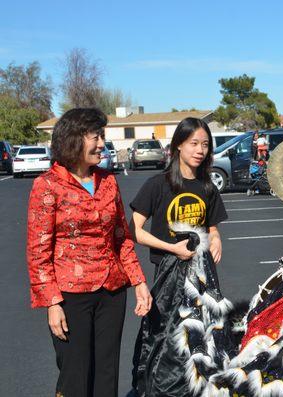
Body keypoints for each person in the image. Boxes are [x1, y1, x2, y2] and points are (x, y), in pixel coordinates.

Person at [26, 108, 151, 397]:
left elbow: (121, 237)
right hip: (70, 295)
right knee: (75, 376)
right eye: (96, 137)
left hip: (112, 290)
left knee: (107, 375)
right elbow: (38, 251)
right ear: (73, 139)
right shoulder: (47, 185)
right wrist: (52, 304)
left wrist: (138, 281)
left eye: (102, 137)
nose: (102, 144)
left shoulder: (108, 181)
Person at [129, 117, 228, 394]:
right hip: (168, 275)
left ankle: (195, 387)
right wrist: (172, 248)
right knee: (166, 337)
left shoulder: (207, 186)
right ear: (178, 146)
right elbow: (134, 230)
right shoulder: (157, 185)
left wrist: (216, 238)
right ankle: (161, 388)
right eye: (193, 143)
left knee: (202, 335)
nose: (200, 150)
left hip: (201, 276)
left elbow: (212, 226)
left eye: (205, 145)